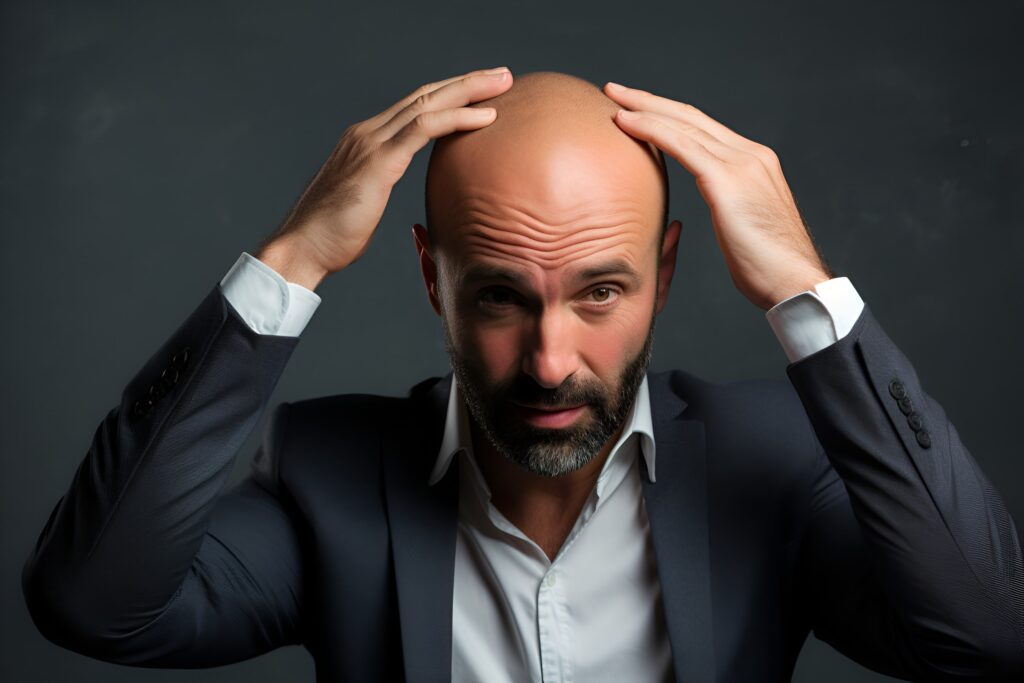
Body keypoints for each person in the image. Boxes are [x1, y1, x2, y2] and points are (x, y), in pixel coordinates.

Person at [21, 67, 1024, 682]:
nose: (549, 362)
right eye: (499, 296)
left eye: (599, 293)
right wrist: (290, 262)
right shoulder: (327, 474)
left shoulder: (772, 466)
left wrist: (806, 294)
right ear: (430, 275)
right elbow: (92, 605)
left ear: (665, 271)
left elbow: (984, 639)